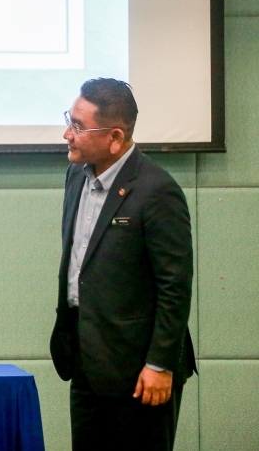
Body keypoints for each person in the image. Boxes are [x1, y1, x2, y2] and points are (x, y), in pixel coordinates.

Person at [49, 78, 195, 451]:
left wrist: (160, 364)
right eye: (69, 120)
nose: (67, 134)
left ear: (115, 137)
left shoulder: (156, 191)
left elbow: (174, 287)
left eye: (78, 127)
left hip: (140, 372)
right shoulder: (76, 175)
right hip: (86, 361)